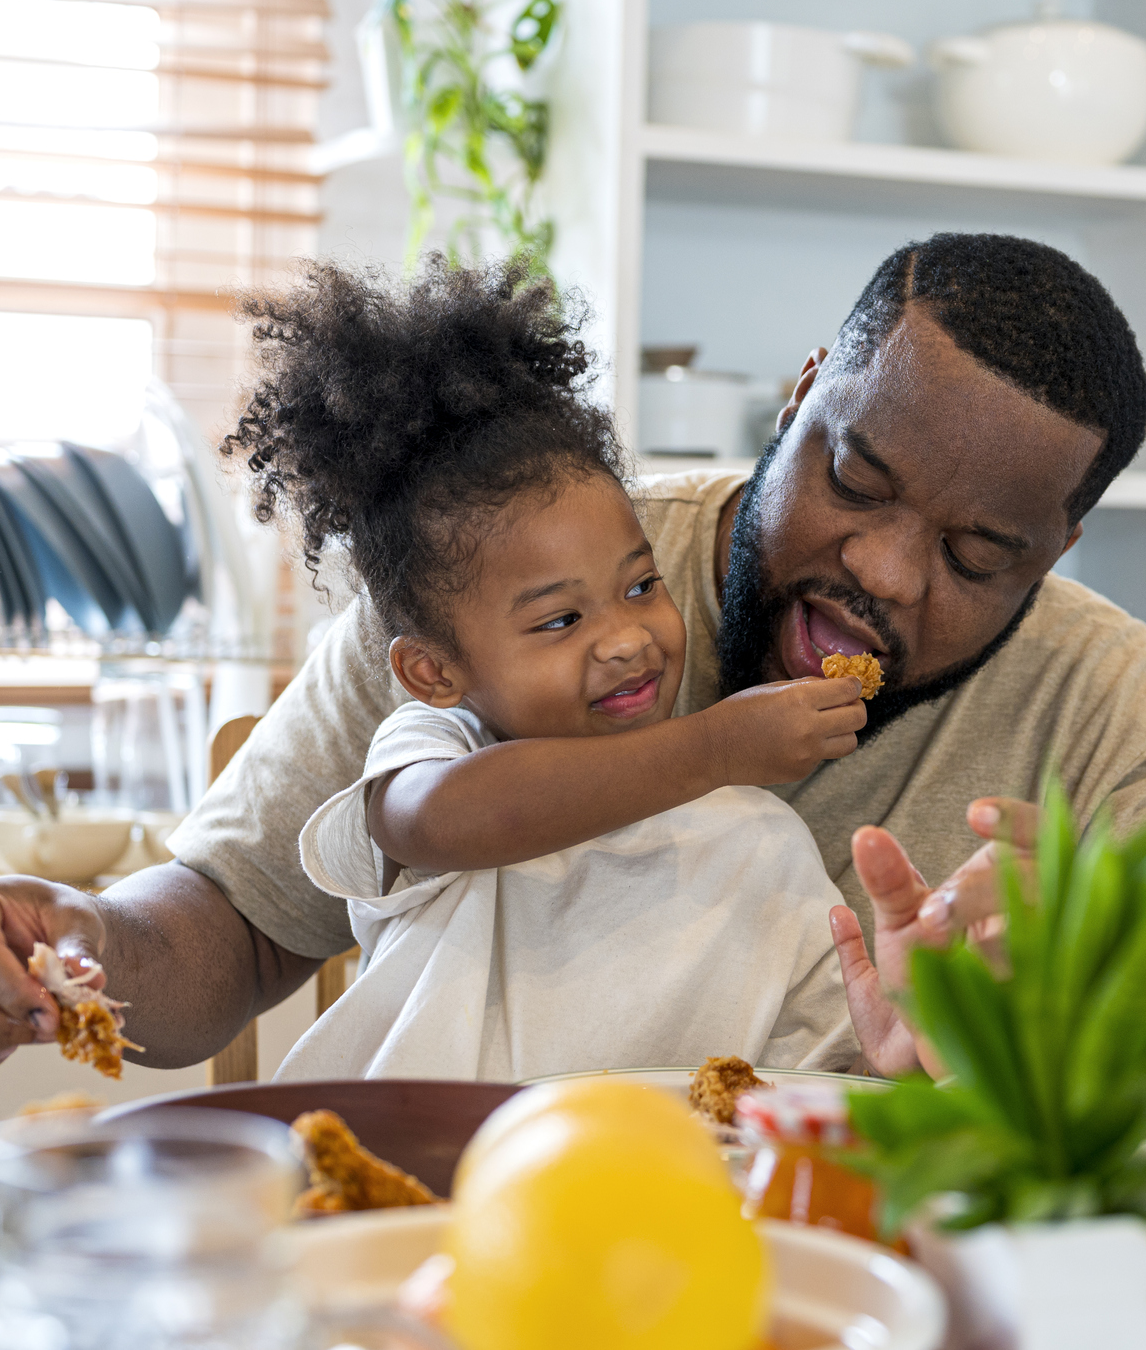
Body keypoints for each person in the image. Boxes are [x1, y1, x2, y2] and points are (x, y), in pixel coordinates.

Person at [0, 233, 1146, 1120]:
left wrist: (1089, 981)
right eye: (855, 480)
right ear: (800, 394)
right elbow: (235, 919)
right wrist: (71, 939)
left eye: (981, 552)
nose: (890, 573)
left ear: (1060, 547)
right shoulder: (517, 572)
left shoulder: (1103, 699)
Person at [218, 262, 862, 1081]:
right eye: (561, 619)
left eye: (640, 586)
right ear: (433, 671)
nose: (627, 639)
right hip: (426, 1164)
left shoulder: (756, 840)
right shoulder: (440, 745)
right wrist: (715, 748)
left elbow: (817, 1067)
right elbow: (438, 824)